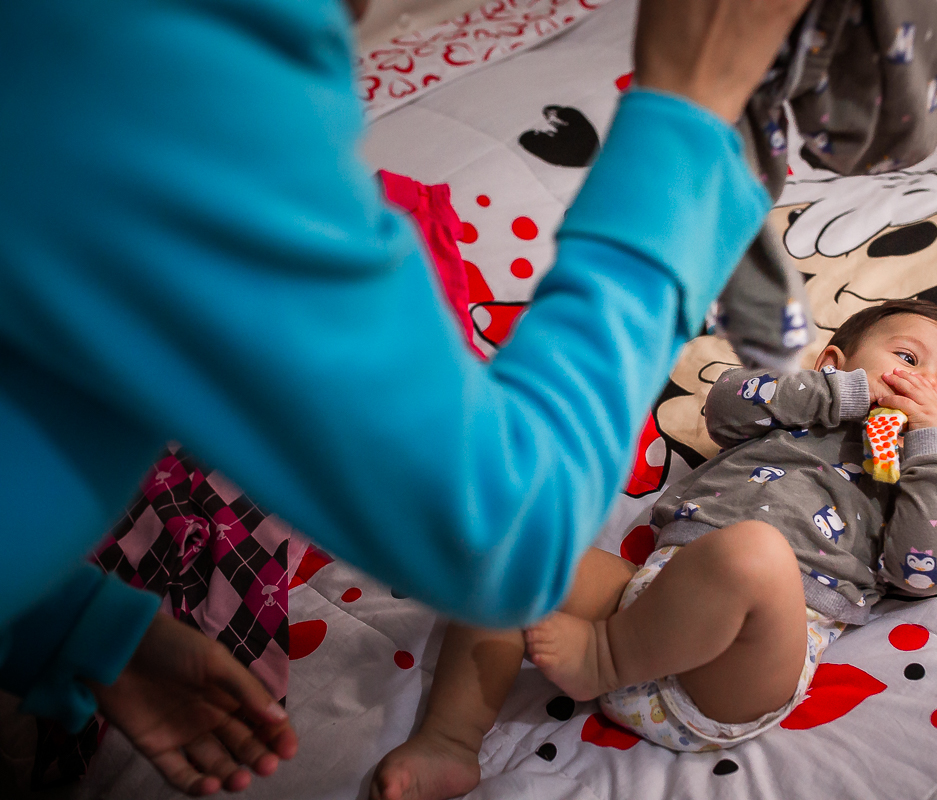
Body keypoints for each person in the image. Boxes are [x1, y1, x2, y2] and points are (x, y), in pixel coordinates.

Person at [0, 0, 815, 794]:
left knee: (753, 561)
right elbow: (502, 533)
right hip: (668, 573)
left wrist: (64, 623)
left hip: (766, 613)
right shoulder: (152, 73)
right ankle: (454, 734)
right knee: (639, 568)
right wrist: (688, 114)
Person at [372, 299, 937, 797]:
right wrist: (835, 396)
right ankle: (450, 740)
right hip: (653, 595)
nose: (923, 383)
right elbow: (724, 405)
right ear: (835, 363)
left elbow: (927, 571)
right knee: (515, 552)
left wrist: (932, 456)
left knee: (755, 554)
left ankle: (605, 657)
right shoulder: (800, 410)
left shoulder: (914, 478)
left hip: (746, 663)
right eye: (906, 358)